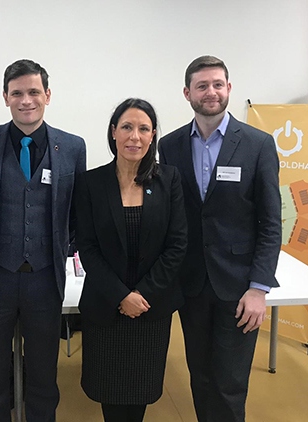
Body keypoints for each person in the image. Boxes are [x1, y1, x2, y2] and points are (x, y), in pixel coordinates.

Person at [0, 59, 86, 422]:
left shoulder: (72, 147)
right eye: (17, 93)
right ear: (5, 97)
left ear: (47, 95)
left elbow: (75, 209)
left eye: (34, 92)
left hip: (46, 280)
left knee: (45, 373)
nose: (26, 100)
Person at [158, 55, 282, 422]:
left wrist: (259, 288)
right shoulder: (171, 145)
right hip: (192, 284)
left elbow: (271, 222)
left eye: (217, 84)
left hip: (240, 287)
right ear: (187, 93)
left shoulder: (258, 144)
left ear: (228, 88)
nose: (210, 92)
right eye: (201, 86)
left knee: (229, 383)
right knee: (201, 376)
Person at [75, 98, 188, 422]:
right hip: (106, 308)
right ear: (113, 132)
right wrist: (121, 296)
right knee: (108, 391)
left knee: (140, 391)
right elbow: (87, 247)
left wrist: (143, 296)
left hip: (151, 310)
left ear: (153, 136)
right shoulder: (91, 183)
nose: (134, 136)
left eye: (143, 128)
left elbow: (177, 244)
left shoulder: (169, 180)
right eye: (126, 127)